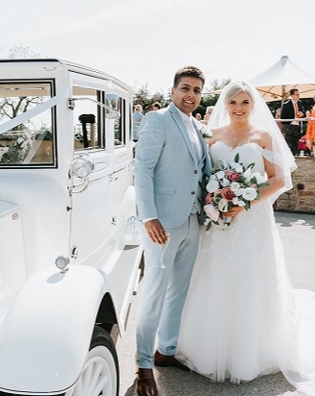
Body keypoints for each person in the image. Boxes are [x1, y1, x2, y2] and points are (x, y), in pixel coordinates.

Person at [177, 81, 315, 396]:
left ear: (253, 105)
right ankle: (206, 344)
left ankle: (251, 350)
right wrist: (216, 202)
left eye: (244, 102)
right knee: (214, 275)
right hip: (218, 222)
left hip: (251, 221)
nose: (238, 108)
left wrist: (243, 201)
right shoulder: (211, 135)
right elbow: (200, 177)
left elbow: (279, 179)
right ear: (225, 105)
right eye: (233, 103)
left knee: (250, 278)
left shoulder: (264, 136)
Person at [134, 66, 211, 396]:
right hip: (163, 223)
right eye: (185, 88)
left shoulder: (195, 126)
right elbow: (143, 169)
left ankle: (165, 351)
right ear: (173, 90)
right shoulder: (158, 120)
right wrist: (149, 216)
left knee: (179, 289)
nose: (190, 95)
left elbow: (199, 171)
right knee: (154, 292)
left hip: (193, 219)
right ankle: (142, 365)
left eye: (196, 90)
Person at [280, 88, 305, 155]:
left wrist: (302, 114)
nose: (298, 96)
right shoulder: (286, 104)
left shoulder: (299, 103)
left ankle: (295, 155)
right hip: (289, 126)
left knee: (296, 143)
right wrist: (290, 121)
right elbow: (282, 117)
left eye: (299, 94)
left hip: (297, 125)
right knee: (289, 143)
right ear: (292, 95)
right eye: (297, 94)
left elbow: (303, 113)